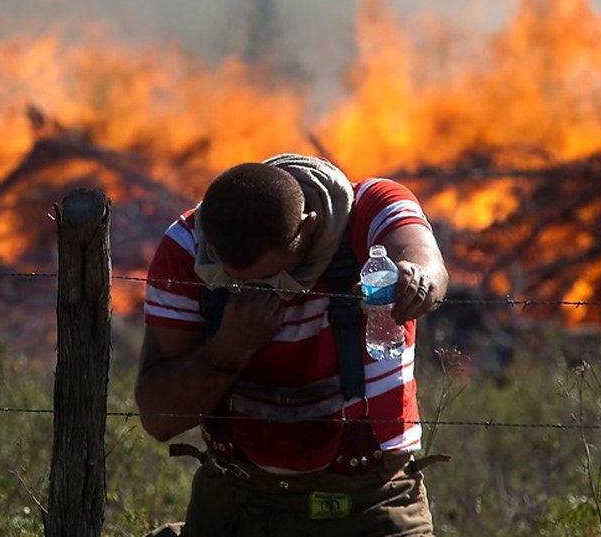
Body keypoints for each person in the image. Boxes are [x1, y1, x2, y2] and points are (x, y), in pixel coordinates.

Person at [136, 154, 448, 536]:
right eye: (236, 282)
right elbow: (158, 418)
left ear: (308, 228)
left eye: (272, 277)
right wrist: (227, 350)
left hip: (372, 498)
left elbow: (425, 262)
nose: (263, 293)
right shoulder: (187, 245)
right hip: (239, 501)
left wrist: (412, 280)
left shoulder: (368, 210)